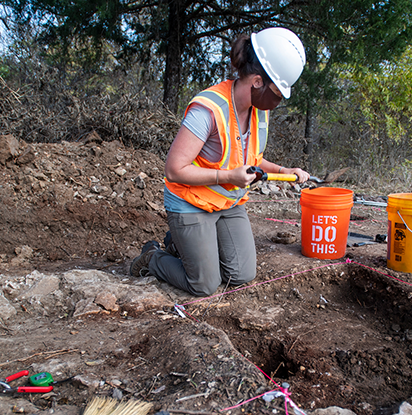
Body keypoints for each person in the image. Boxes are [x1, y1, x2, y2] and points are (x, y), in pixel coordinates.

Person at [131, 27, 310, 296]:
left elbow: (252, 159)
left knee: (241, 274)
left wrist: (285, 171)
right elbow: (174, 169)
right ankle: (154, 257)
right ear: (258, 81)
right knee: (204, 285)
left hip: (227, 203)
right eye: (278, 91)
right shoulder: (209, 108)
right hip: (190, 203)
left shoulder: (258, 112)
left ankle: (180, 244)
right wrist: (227, 177)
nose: (279, 99)